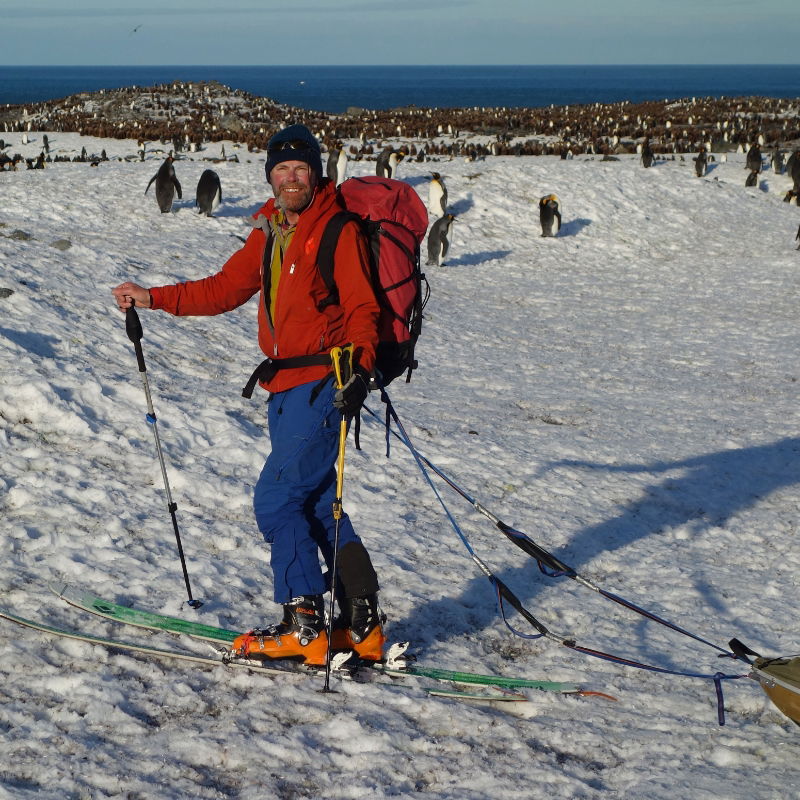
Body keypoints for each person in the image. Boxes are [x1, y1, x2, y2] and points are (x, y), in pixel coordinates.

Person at [112, 124, 385, 665]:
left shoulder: (337, 231)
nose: (290, 178)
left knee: (277, 499)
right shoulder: (269, 231)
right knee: (313, 502)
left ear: (316, 173)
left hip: (322, 384)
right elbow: (223, 289)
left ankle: (302, 622)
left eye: (299, 169)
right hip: (284, 387)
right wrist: (152, 297)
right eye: (280, 170)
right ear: (269, 175)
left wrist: (360, 371)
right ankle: (362, 622)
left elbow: (363, 312)